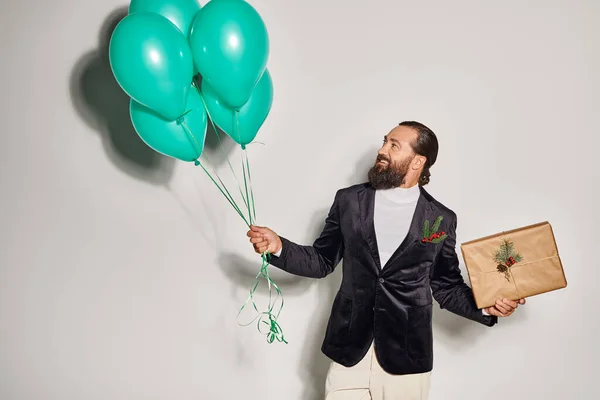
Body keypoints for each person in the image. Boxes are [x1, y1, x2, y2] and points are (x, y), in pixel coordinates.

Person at [246, 121, 525, 400]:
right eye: (384, 141)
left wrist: (486, 307)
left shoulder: (441, 218)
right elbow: (322, 260)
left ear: (418, 162)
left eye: (394, 145)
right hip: (348, 350)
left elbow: (445, 285)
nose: (382, 150)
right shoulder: (349, 201)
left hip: (407, 355)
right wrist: (279, 247)